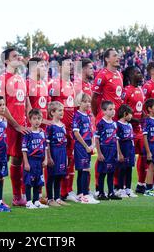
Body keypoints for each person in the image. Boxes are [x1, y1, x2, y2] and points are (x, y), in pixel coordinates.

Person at [0, 48, 31, 206]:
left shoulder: (21, 79)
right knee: (2, 160)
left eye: (19, 56)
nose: (18, 58)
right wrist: (15, 125)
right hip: (7, 126)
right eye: (14, 56)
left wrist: (28, 121)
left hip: (21, 126)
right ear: (6, 61)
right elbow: (1, 107)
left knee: (18, 160)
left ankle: (17, 196)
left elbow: (26, 102)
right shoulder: (2, 79)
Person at [91, 48, 123, 195]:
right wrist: (97, 113)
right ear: (107, 59)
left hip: (115, 119)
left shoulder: (119, 74)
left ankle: (113, 188)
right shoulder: (102, 74)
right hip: (104, 118)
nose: (118, 57)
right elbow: (94, 97)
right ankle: (99, 188)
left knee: (113, 154)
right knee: (102, 154)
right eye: (115, 55)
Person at [49, 56, 76, 202]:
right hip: (57, 131)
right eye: (68, 64)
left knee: (69, 160)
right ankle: (50, 194)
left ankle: (67, 191)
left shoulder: (71, 84)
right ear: (59, 68)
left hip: (69, 129)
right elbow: (50, 106)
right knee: (54, 161)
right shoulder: (55, 84)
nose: (71, 66)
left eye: (72, 64)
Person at [121, 66, 147, 194]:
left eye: (141, 72)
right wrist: (137, 121)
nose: (141, 75)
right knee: (126, 160)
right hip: (128, 130)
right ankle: (122, 187)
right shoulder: (126, 91)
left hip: (139, 130)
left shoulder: (141, 90)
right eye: (137, 72)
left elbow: (140, 109)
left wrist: (144, 118)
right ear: (130, 75)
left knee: (145, 155)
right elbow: (122, 112)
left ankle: (141, 184)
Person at [72, 93, 99, 204]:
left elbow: (91, 132)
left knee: (83, 170)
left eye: (89, 101)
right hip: (81, 146)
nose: (88, 104)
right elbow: (76, 133)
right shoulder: (77, 115)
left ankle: (80, 194)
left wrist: (92, 145)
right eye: (85, 101)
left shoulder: (88, 116)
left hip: (87, 145)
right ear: (79, 103)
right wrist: (86, 146)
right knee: (84, 170)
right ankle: (84, 195)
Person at [95, 101, 122, 201]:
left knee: (111, 172)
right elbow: (97, 139)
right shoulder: (101, 123)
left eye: (113, 109)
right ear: (104, 111)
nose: (113, 111)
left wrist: (118, 152)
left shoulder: (114, 124)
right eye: (110, 109)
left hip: (113, 150)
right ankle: (101, 193)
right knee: (103, 172)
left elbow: (116, 139)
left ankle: (111, 192)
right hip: (104, 149)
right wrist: (99, 153)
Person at [22, 109, 49, 209]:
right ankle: (29, 202)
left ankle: (36, 200)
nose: (37, 121)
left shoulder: (42, 133)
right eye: (34, 119)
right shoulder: (27, 133)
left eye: (39, 118)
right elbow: (24, 149)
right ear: (30, 120)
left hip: (39, 161)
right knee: (29, 181)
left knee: (38, 181)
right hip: (31, 160)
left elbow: (45, 147)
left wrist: (45, 159)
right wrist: (26, 163)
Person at [45, 101, 69, 207]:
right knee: (51, 176)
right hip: (54, 152)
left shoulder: (63, 125)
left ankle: (58, 198)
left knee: (59, 176)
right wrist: (49, 157)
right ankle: (50, 199)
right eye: (59, 110)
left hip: (62, 152)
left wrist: (66, 156)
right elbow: (47, 143)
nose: (62, 112)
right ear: (52, 112)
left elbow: (64, 142)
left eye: (62, 110)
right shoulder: (50, 126)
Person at [115, 104, 137, 198]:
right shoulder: (117, 125)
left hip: (130, 149)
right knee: (122, 170)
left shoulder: (130, 125)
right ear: (125, 114)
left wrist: (133, 152)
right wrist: (119, 153)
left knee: (129, 169)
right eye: (130, 114)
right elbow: (117, 140)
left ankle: (128, 188)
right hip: (123, 149)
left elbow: (132, 139)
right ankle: (120, 189)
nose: (131, 116)